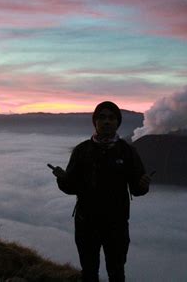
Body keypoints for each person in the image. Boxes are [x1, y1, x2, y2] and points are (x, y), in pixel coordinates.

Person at [49, 101, 150, 282]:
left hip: (116, 226)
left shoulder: (127, 152)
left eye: (111, 118)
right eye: (101, 117)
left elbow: (136, 188)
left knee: (116, 272)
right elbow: (72, 187)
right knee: (89, 272)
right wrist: (62, 179)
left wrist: (143, 185)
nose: (106, 121)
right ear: (95, 122)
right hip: (86, 224)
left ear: (117, 123)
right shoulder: (82, 151)